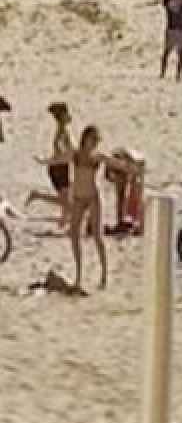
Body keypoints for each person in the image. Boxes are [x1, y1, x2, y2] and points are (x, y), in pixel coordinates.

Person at [66, 126, 114, 291]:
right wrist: (45, 161)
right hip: (78, 198)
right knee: (74, 235)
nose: (94, 143)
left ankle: (104, 276)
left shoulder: (97, 157)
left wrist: (133, 168)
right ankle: (79, 276)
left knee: (97, 236)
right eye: (92, 139)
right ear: (85, 138)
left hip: (93, 198)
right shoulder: (76, 155)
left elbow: (115, 162)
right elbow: (59, 158)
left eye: (96, 140)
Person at [25, 102, 75, 228]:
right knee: (67, 201)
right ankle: (38, 195)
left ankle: (62, 224)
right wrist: (47, 161)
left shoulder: (63, 131)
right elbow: (63, 155)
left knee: (66, 200)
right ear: (62, 116)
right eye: (66, 113)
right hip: (59, 168)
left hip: (62, 167)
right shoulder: (62, 133)